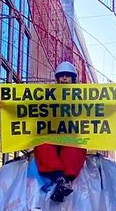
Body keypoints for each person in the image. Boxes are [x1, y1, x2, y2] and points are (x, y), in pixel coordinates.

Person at [33, 61, 88, 202]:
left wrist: (114, 106)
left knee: (75, 147)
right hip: (51, 136)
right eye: (61, 76)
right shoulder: (47, 95)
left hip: (71, 137)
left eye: (67, 76)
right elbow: (30, 109)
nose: (64, 78)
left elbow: (99, 112)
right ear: (57, 78)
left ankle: (66, 180)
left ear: (72, 79)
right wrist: (8, 106)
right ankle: (58, 178)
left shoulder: (84, 96)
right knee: (42, 145)